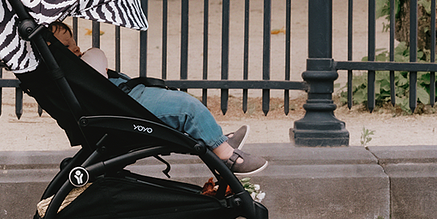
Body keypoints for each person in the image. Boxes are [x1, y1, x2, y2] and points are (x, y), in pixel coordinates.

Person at [35, 20, 265, 174]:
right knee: (186, 109)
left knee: (177, 102)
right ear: (49, 50)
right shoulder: (65, 73)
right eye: (67, 46)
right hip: (125, 108)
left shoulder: (74, 69)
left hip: (127, 97)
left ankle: (216, 140)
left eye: (75, 43)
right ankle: (225, 155)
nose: (76, 49)